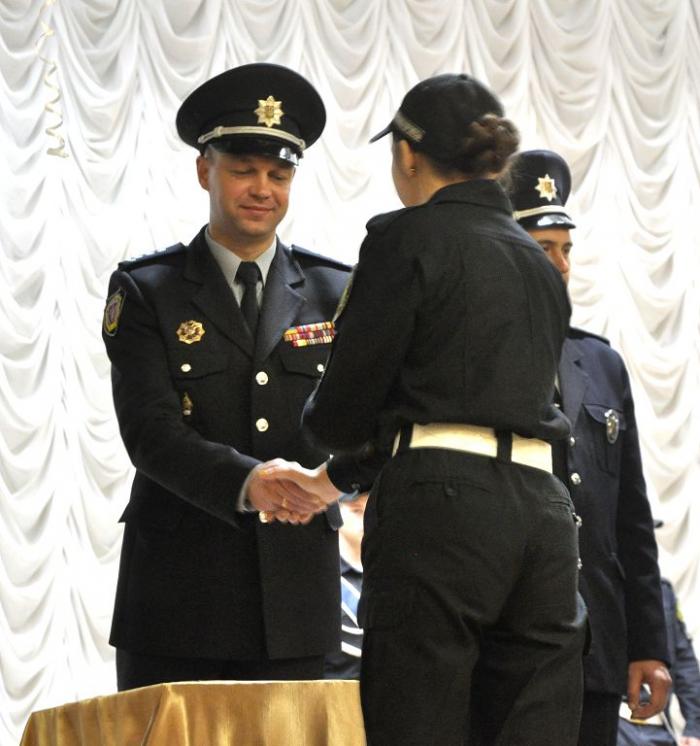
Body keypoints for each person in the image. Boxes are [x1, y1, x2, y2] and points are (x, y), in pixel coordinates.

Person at [262, 73, 587, 746]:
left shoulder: (405, 238)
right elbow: (476, 405)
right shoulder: (538, 265)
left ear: (408, 155)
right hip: (545, 513)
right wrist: (334, 481)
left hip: (442, 514)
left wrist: (323, 438)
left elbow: (347, 412)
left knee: (419, 721)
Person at [101, 62, 351, 690]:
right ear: (204, 171)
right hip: (176, 598)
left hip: (295, 596)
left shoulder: (336, 291)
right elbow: (151, 433)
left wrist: (327, 481)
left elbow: (357, 420)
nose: (262, 189)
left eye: (279, 174)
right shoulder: (148, 289)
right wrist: (248, 482)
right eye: (243, 169)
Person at [507, 149, 672, 746]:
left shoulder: (600, 363)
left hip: (597, 645)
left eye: (565, 249)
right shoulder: (476, 359)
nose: (560, 264)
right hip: (509, 643)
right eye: (542, 248)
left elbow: (631, 519)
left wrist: (649, 645)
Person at [618, 574, 700, 745]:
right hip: (614, 721)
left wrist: (694, 727)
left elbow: (684, 662)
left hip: (658, 726)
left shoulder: (662, 590)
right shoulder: (599, 582)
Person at [324, 492, 368, 681]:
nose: (365, 520)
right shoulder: (323, 575)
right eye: (356, 511)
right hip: (329, 687)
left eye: (371, 511)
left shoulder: (389, 575)